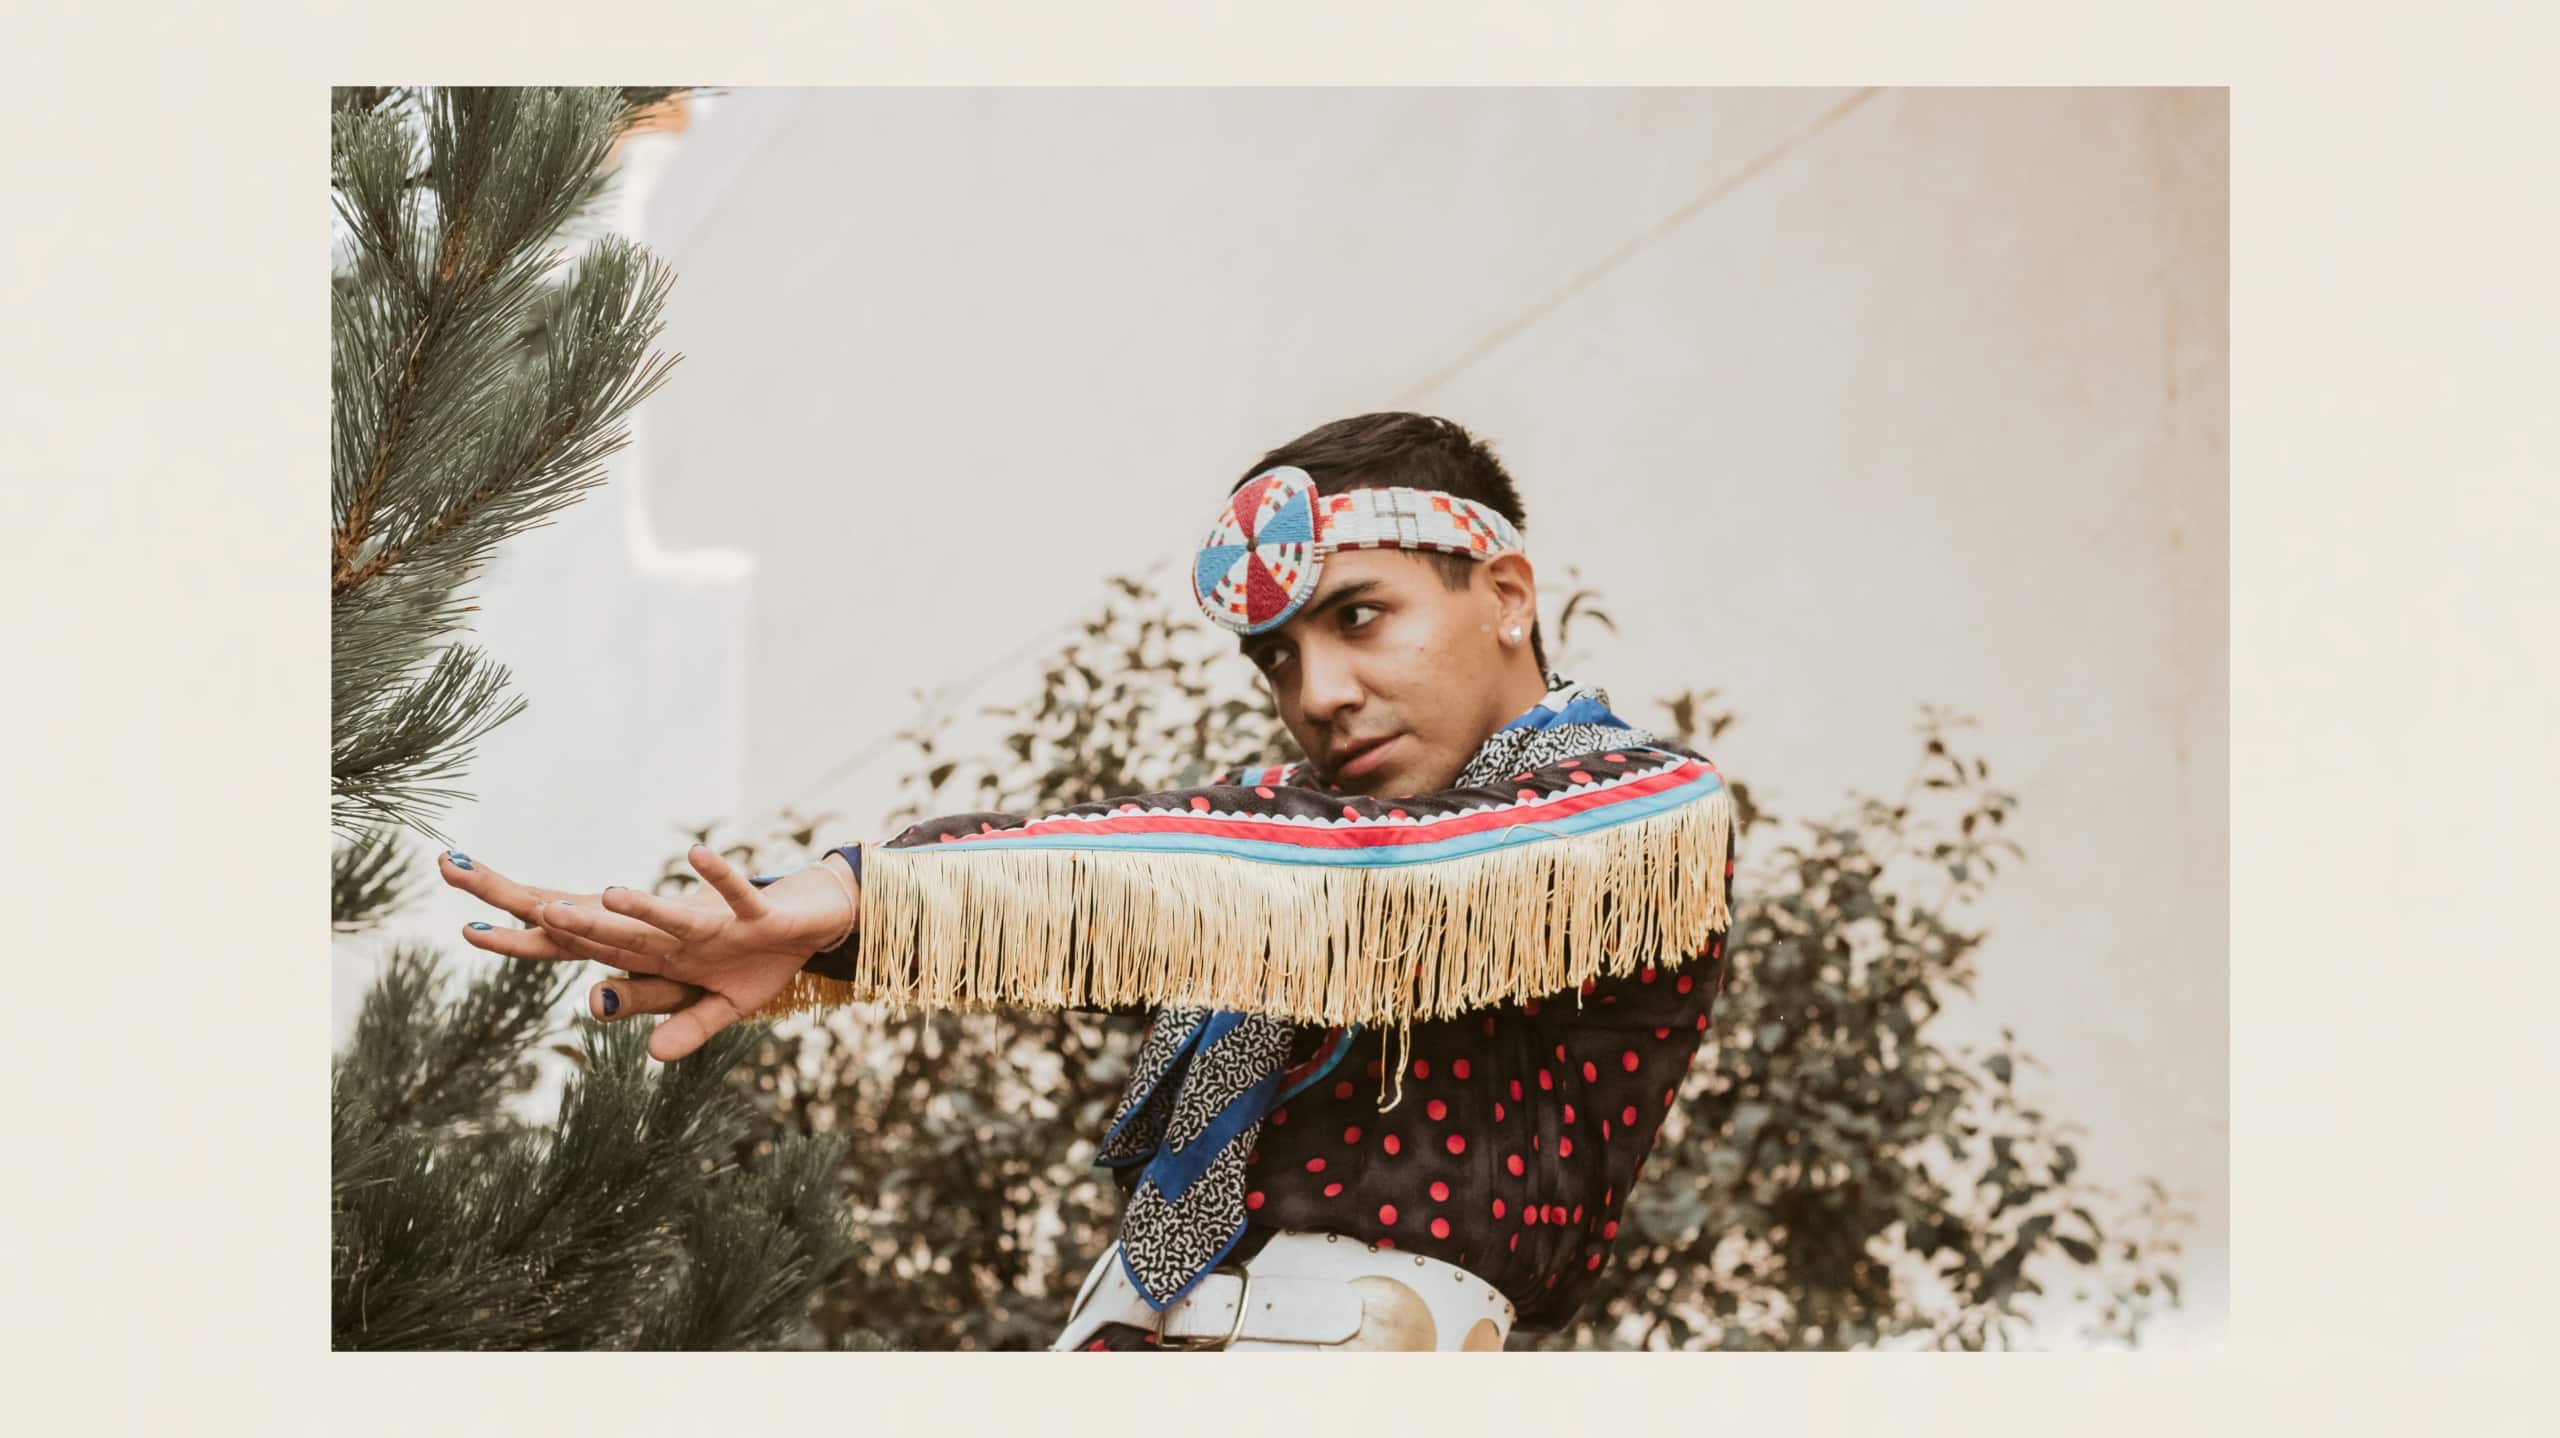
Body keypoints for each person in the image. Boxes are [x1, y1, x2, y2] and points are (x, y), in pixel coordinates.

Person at [442, 411, 1738, 1352]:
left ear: (1506, 593)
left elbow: (1367, 891)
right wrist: (816, 931)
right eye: (1275, 661)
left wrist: (873, 896)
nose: (1316, 696)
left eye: (1357, 616)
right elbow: (1115, 878)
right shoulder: (1273, 836)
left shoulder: (1645, 810)